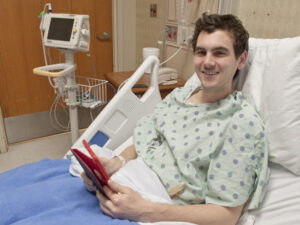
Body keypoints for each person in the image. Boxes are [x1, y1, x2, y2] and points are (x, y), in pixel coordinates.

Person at [82, 13, 268, 225]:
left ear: (241, 60)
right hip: (129, 184)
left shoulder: (240, 123)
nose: (207, 62)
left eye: (219, 53)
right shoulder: (181, 95)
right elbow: (145, 136)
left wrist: (145, 210)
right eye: (201, 52)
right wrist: (115, 163)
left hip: (159, 206)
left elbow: (226, 214)